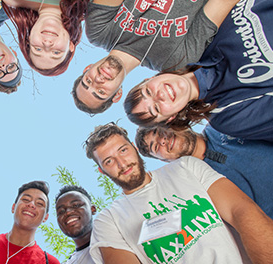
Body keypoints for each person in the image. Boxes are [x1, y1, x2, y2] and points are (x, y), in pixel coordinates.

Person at [83, 122, 273, 264]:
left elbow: (243, 212)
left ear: (133, 147)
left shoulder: (186, 166)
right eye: (109, 161)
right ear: (102, 170)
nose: (121, 163)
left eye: (123, 150)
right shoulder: (108, 221)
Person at [125, 0, 273, 141]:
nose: (159, 96)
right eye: (156, 109)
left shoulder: (194, 39)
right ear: (171, 117)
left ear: (149, 79)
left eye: (148, 92)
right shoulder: (225, 116)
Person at [71, 0, 239, 114]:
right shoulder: (174, 62)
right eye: (100, 92)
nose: (97, 82)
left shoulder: (98, 31)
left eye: (87, 82)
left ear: (88, 69)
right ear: (117, 95)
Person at [135, 125, 273, 218]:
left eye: (160, 131)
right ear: (163, 160)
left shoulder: (221, 125)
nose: (162, 140)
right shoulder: (200, 190)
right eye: (155, 146)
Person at [2, 0, 87, 76]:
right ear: (70, 45)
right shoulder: (90, 5)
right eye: (56, 52)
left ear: (29, 38)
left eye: (38, 49)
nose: (47, 44)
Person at [56, 185, 114, 264]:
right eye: (61, 211)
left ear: (93, 209)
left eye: (76, 205)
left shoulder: (116, 242)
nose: (68, 212)